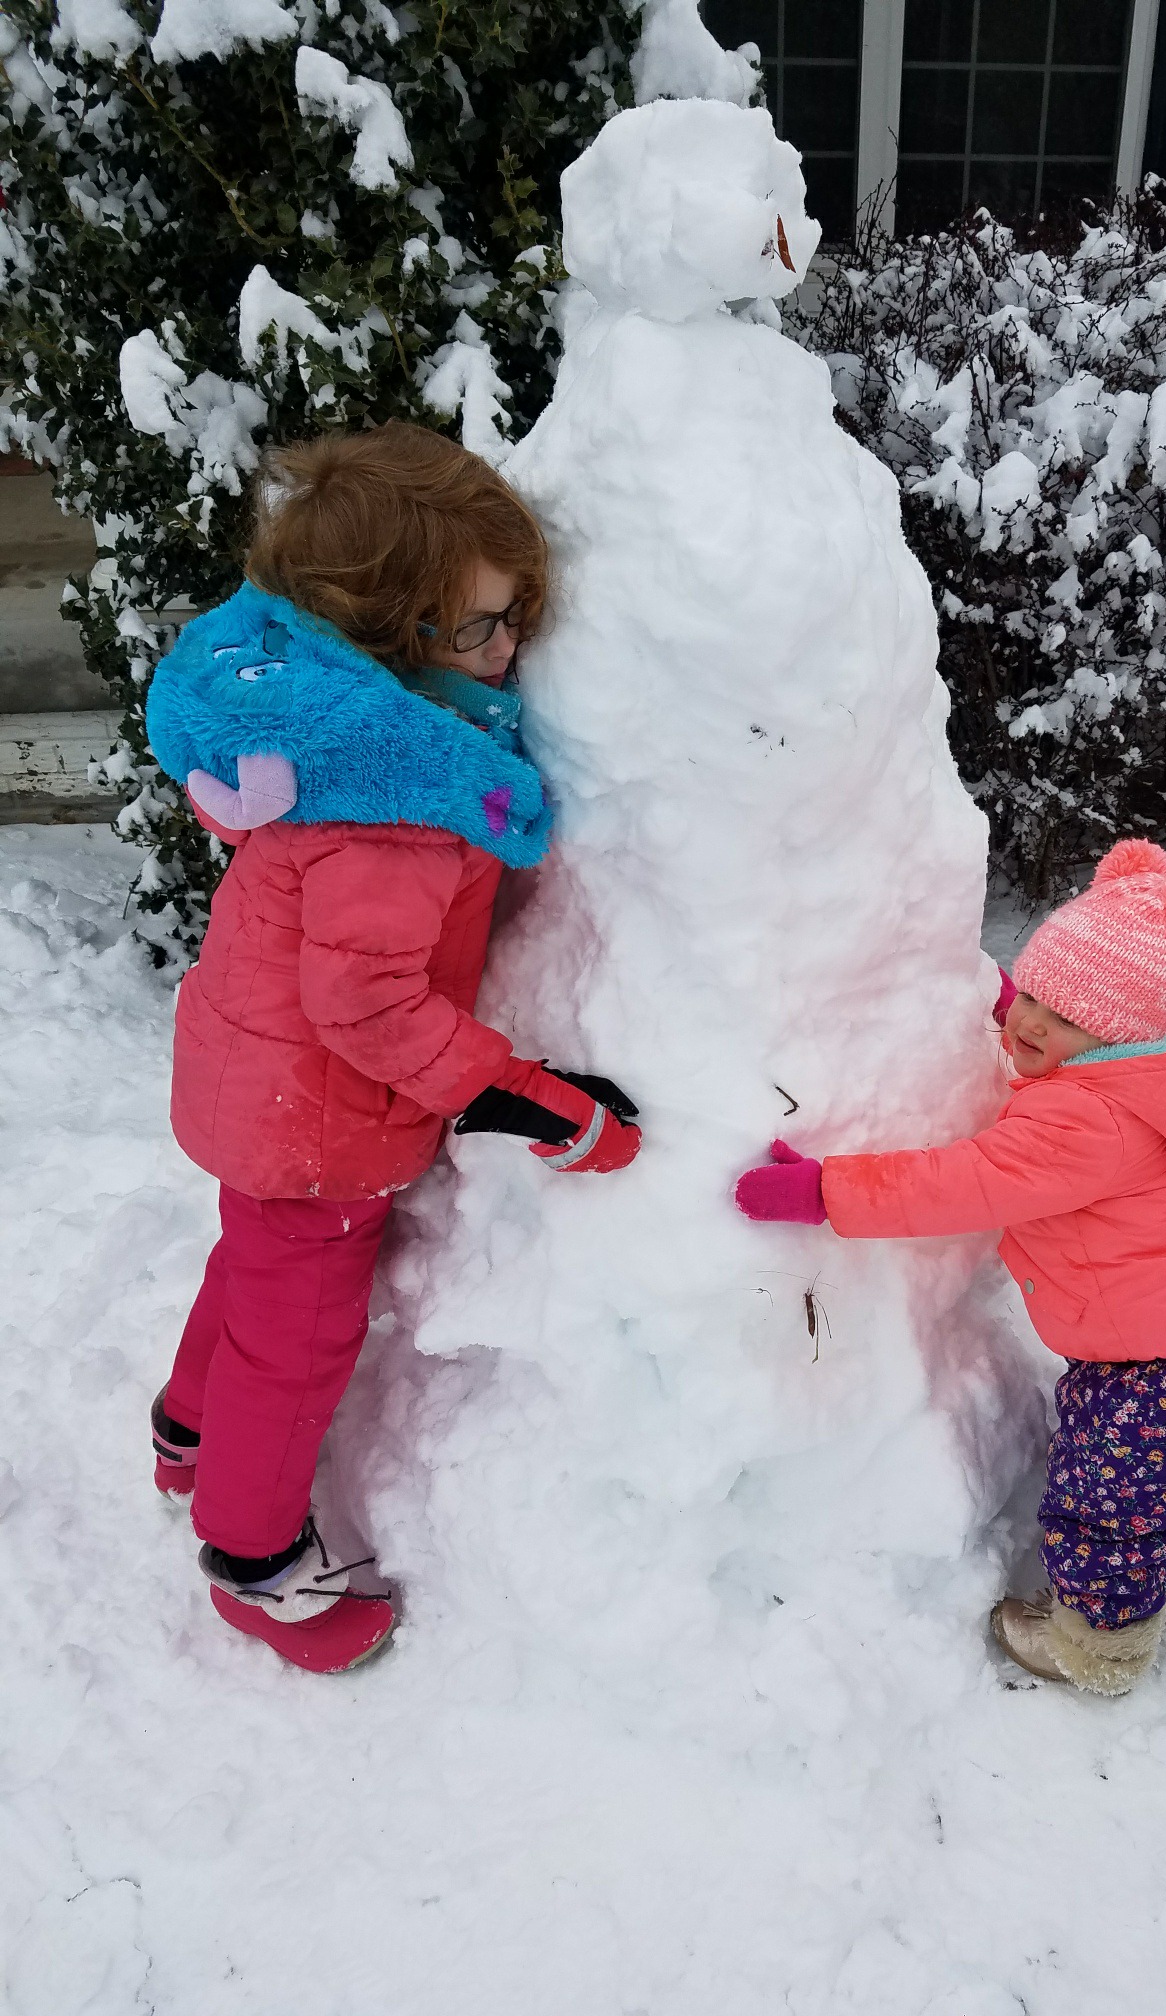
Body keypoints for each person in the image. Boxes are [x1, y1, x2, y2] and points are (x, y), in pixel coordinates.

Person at [144, 423, 641, 1676]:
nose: (509, 647)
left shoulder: (315, 726)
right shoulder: (395, 808)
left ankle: (188, 1434)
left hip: (255, 1088)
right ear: (386, 635)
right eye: (479, 628)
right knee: (295, 1343)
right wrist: (528, 1098)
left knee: (248, 1275)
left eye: (516, 615)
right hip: (315, 1123)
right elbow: (365, 1006)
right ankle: (255, 1564)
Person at [735, 838, 1166, 1696]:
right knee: (1154, 1493)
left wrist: (826, 1191)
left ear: (1117, 1038)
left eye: (1060, 1020)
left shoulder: (1087, 1123)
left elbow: (961, 1183)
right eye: (1030, 995)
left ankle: (1097, 1650)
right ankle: (1155, 1588)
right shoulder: (1156, 1079)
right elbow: (1058, 1037)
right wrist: (1024, 1014)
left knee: (1103, 1509)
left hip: (1161, 1370)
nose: (1028, 1022)